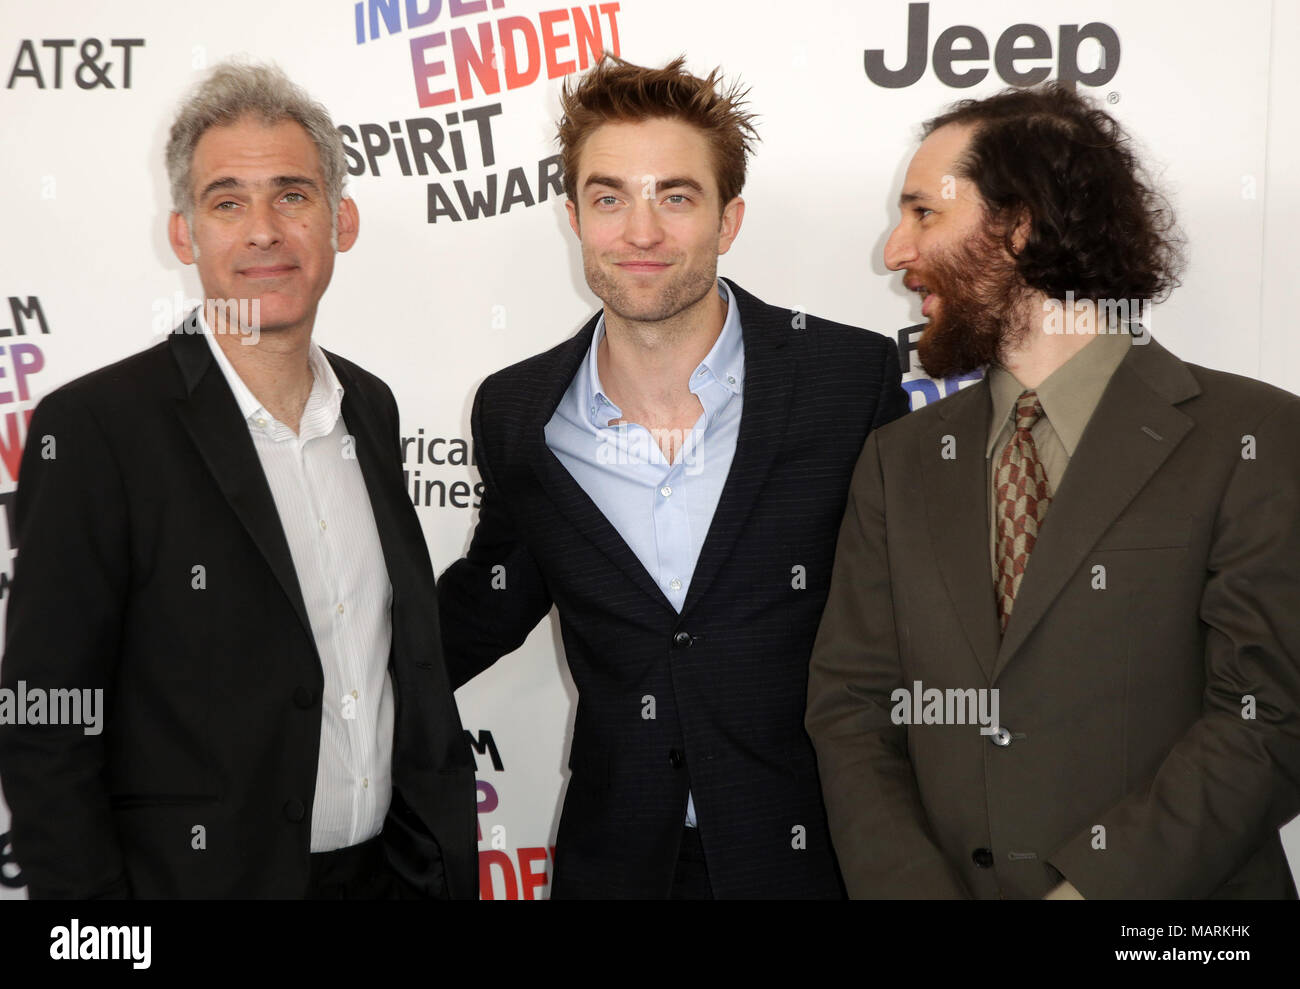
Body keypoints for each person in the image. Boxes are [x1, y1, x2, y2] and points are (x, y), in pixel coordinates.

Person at [806, 83, 1300, 899]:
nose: (895, 250)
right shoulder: (899, 459)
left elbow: (1268, 719)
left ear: (1020, 221)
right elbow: (854, 710)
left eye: (925, 212)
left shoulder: (1254, 438)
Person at [0, 61, 476, 899]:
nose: (263, 230)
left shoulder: (370, 407)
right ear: (184, 234)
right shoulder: (97, 428)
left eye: (292, 195)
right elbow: (47, 722)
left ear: (341, 220)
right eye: (228, 202)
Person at [437, 54, 908, 899]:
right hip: (619, 861)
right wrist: (310, 675)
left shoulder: (848, 382)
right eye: (610, 196)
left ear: (728, 220)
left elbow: (917, 613)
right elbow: (489, 603)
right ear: (572, 215)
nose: (641, 233)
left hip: (818, 856)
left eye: (676, 196)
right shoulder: (518, 412)